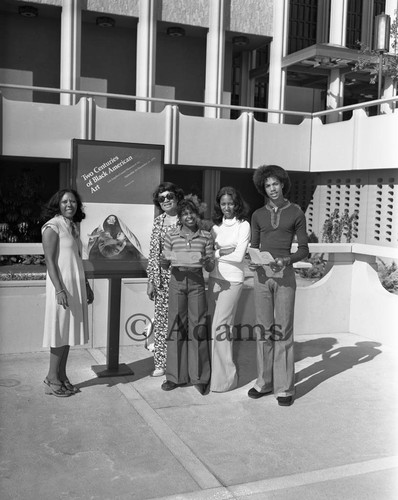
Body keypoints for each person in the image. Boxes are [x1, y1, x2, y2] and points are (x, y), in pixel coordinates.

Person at [248, 165, 309, 406]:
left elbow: (304, 249)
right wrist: (252, 262)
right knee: (263, 331)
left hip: (285, 277)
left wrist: (287, 259)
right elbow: (254, 246)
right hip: (261, 277)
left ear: (283, 184)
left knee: (283, 331)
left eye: (275, 184)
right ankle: (264, 382)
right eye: (267, 185)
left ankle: (284, 388)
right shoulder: (257, 214)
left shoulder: (296, 212)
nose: (272, 188)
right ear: (263, 187)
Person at [41, 189, 94, 397]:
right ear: (58, 204)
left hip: (75, 286)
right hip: (61, 287)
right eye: (65, 202)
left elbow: (76, 260)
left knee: (68, 332)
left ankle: (61, 376)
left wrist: (86, 285)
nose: (69, 205)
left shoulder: (72, 226)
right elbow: (50, 261)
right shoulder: (52, 226)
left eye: (73, 201)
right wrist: (59, 289)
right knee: (59, 331)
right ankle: (51, 378)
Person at [160, 198, 214, 395]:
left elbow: (209, 267)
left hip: (197, 283)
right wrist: (163, 261)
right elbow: (165, 265)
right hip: (177, 282)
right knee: (176, 327)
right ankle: (174, 377)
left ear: (196, 214)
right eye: (185, 214)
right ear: (180, 217)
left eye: (192, 213)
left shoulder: (206, 237)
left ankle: (199, 377)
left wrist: (208, 260)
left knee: (198, 327)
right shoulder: (171, 236)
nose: (189, 216)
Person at [207, 187, 250, 392]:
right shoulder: (215, 227)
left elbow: (239, 256)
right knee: (216, 328)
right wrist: (222, 251)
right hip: (214, 279)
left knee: (221, 328)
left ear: (237, 204)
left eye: (230, 203)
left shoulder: (244, 225)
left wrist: (217, 253)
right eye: (223, 204)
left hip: (232, 281)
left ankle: (225, 380)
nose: (227, 207)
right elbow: (206, 253)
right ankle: (215, 375)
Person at [146, 182, 185, 377]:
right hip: (161, 280)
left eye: (170, 196)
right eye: (162, 198)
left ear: (177, 197)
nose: (166, 200)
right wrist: (151, 280)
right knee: (161, 322)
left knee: (179, 321)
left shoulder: (186, 219)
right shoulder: (158, 221)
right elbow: (153, 252)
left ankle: (178, 362)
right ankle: (160, 362)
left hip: (181, 277)